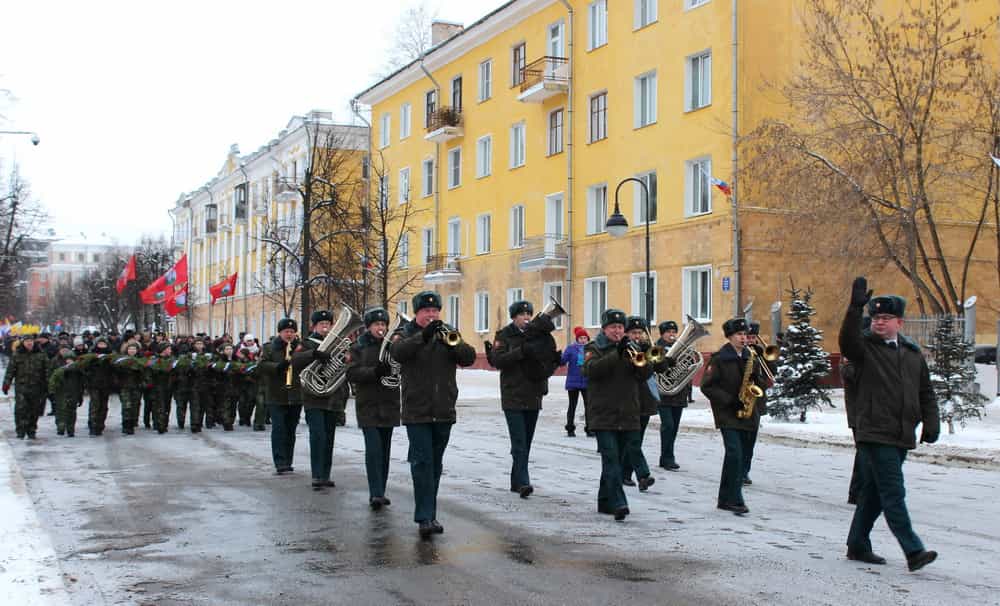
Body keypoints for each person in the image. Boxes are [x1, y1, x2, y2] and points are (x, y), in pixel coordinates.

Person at [840, 277, 939, 571]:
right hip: (874, 431)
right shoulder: (865, 348)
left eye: (885, 318)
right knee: (893, 492)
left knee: (873, 492)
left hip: (901, 433)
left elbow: (925, 392)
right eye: (875, 318)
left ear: (900, 322)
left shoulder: (911, 354)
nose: (879, 323)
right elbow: (847, 340)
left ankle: (857, 543)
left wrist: (931, 423)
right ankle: (913, 550)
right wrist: (855, 310)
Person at [390, 291, 476, 538]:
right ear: (417, 313)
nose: (432, 315)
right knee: (422, 462)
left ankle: (431, 514)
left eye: (435, 311)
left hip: (444, 409)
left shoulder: (446, 332)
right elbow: (398, 353)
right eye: (427, 311)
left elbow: (468, 357)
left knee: (435, 465)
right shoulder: (405, 333)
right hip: (417, 410)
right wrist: (422, 337)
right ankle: (424, 516)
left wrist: (454, 341)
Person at [582, 309, 654, 521]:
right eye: (613, 327)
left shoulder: (631, 347)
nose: (617, 331)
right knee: (611, 460)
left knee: (615, 461)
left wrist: (642, 355)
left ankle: (605, 501)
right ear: (604, 329)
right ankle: (619, 503)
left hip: (629, 412)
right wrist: (616, 354)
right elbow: (591, 371)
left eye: (621, 328)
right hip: (604, 414)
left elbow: (645, 373)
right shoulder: (593, 348)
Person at [485, 300, 557, 499]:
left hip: (533, 393)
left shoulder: (539, 335)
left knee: (526, 441)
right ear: (514, 317)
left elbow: (546, 359)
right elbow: (498, 360)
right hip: (513, 395)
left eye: (529, 314)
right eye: (521, 314)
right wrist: (520, 352)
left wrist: (551, 361)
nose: (526, 317)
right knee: (519, 441)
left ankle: (516, 481)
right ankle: (524, 482)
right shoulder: (504, 335)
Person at [700, 318, 767, 515]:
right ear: (729, 336)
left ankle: (724, 498)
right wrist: (729, 401)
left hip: (747, 413)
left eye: (745, 335)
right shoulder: (719, 358)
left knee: (739, 457)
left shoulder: (751, 356)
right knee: (734, 454)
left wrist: (758, 377)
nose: (743, 338)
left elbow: (762, 382)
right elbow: (707, 386)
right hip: (727, 414)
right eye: (739, 335)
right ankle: (735, 499)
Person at [347, 307, 402, 510]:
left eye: (383, 324)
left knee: (385, 450)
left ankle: (381, 490)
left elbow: (401, 367)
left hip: (389, 402)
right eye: (376, 324)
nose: (381, 328)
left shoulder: (392, 346)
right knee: (373, 450)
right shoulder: (358, 347)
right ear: (368, 327)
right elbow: (351, 373)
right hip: (368, 405)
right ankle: (375, 492)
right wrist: (374, 372)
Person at [292, 310, 350, 490]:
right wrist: (314, 354)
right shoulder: (307, 343)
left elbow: (347, 362)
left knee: (329, 437)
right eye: (321, 324)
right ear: (314, 326)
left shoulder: (338, 343)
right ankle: (317, 475)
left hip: (333, 397)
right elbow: (295, 360)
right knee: (318, 436)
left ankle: (325, 474)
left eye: (328, 323)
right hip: (313, 398)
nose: (325, 327)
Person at [621, 316, 668, 490]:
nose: (638, 336)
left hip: (645, 401)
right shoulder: (623, 349)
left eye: (640, 333)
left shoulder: (645, 347)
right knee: (632, 441)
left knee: (636, 440)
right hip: (627, 400)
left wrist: (654, 351)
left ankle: (625, 474)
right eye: (634, 333)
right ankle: (642, 475)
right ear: (626, 333)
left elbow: (662, 368)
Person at [259, 318, 302, 474]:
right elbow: (262, 365)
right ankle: (280, 462)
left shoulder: (299, 347)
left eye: (292, 331)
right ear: (280, 332)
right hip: (276, 395)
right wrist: (278, 366)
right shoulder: (270, 348)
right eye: (286, 332)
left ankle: (288, 461)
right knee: (279, 429)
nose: (289, 334)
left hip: (295, 395)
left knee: (291, 430)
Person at [743, 322, 775, 485]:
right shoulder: (739, 353)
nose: (750, 340)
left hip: (756, 402)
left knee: (750, 441)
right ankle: (738, 470)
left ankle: (745, 471)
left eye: (753, 337)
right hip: (740, 401)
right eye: (747, 337)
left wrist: (765, 357)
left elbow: (772, 373)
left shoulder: (760, 353)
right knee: (740, 441)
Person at [655, 320, 689, 470]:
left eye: (674, 332)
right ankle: (667, 457)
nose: (672, 335)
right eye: (669, 332)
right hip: (663, 393)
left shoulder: (682, 347)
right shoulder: (657, 348)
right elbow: (656, 368)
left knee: (674, 427)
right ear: (662, 334)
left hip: (679, 392)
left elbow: (688, 366)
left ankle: (667, 456)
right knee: (668, 425)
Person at [3, 335, 49, 439]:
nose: (29, 343)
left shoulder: (41, 354)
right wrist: (6, 383)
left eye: (31, 341)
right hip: (21, 387)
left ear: (34, 342)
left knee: (34, 410)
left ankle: (31, 430)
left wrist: (48, 384)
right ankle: (20, 430)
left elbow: (47, 370)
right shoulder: (17, 354)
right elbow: (10, 370)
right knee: (21, 409)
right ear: (23, 342)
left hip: (37, 387)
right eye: (27, 341)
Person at [559, 326, 590, 437]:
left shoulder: (591, 348)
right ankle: (570, 428)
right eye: (580, 338)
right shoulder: (571, 348)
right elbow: (562, 361)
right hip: (573, 381)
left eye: (585, 338)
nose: (583, 340)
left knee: (589, 406)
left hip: (587, 381)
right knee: (572, 405)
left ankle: (590, 428)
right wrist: (558, 357)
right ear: (577, 339)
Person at [112, 341, 146, 435]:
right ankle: (126, 425)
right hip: (125, 386)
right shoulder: (121, 360)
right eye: (130, 349)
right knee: (126, 406)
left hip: (136, 386)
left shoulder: (140, 360)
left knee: (135, 406)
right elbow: (116, 372)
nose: (132, 351)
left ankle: (133, 422)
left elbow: (144, 373)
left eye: (134, 349)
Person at [84, 337, 115, 436]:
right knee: (95, 405)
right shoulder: (91, 356)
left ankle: (100, 424)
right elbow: (86, 369)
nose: (101, 346)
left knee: (103, 406)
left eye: (103, 344)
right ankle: (93, 425)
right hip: (94, 384)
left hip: (106, 384)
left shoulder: (111, 356)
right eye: (100, 344)